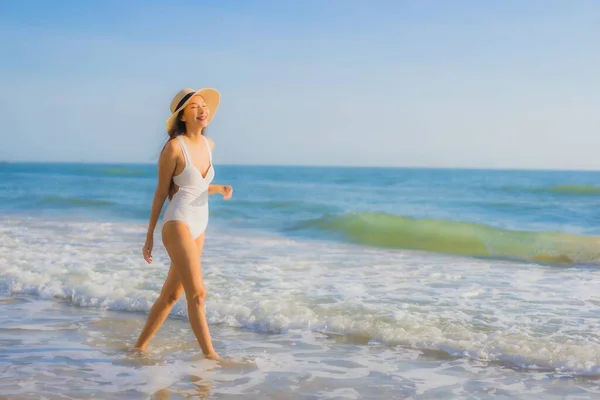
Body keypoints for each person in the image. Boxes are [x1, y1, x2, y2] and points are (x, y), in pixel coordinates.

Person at [134, 87, 233, 360]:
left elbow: (197, 185)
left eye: (204, 106)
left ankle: (138, 348)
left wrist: (218, 188)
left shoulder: (208, 146)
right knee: (198, 294)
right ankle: (211, 357)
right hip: (178, 222)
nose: (202, 110)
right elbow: (161, 192)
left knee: (170, 296)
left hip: (200, 224)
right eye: (194, 107)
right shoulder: (174, 147)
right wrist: (150, 235)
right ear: (183, 116)